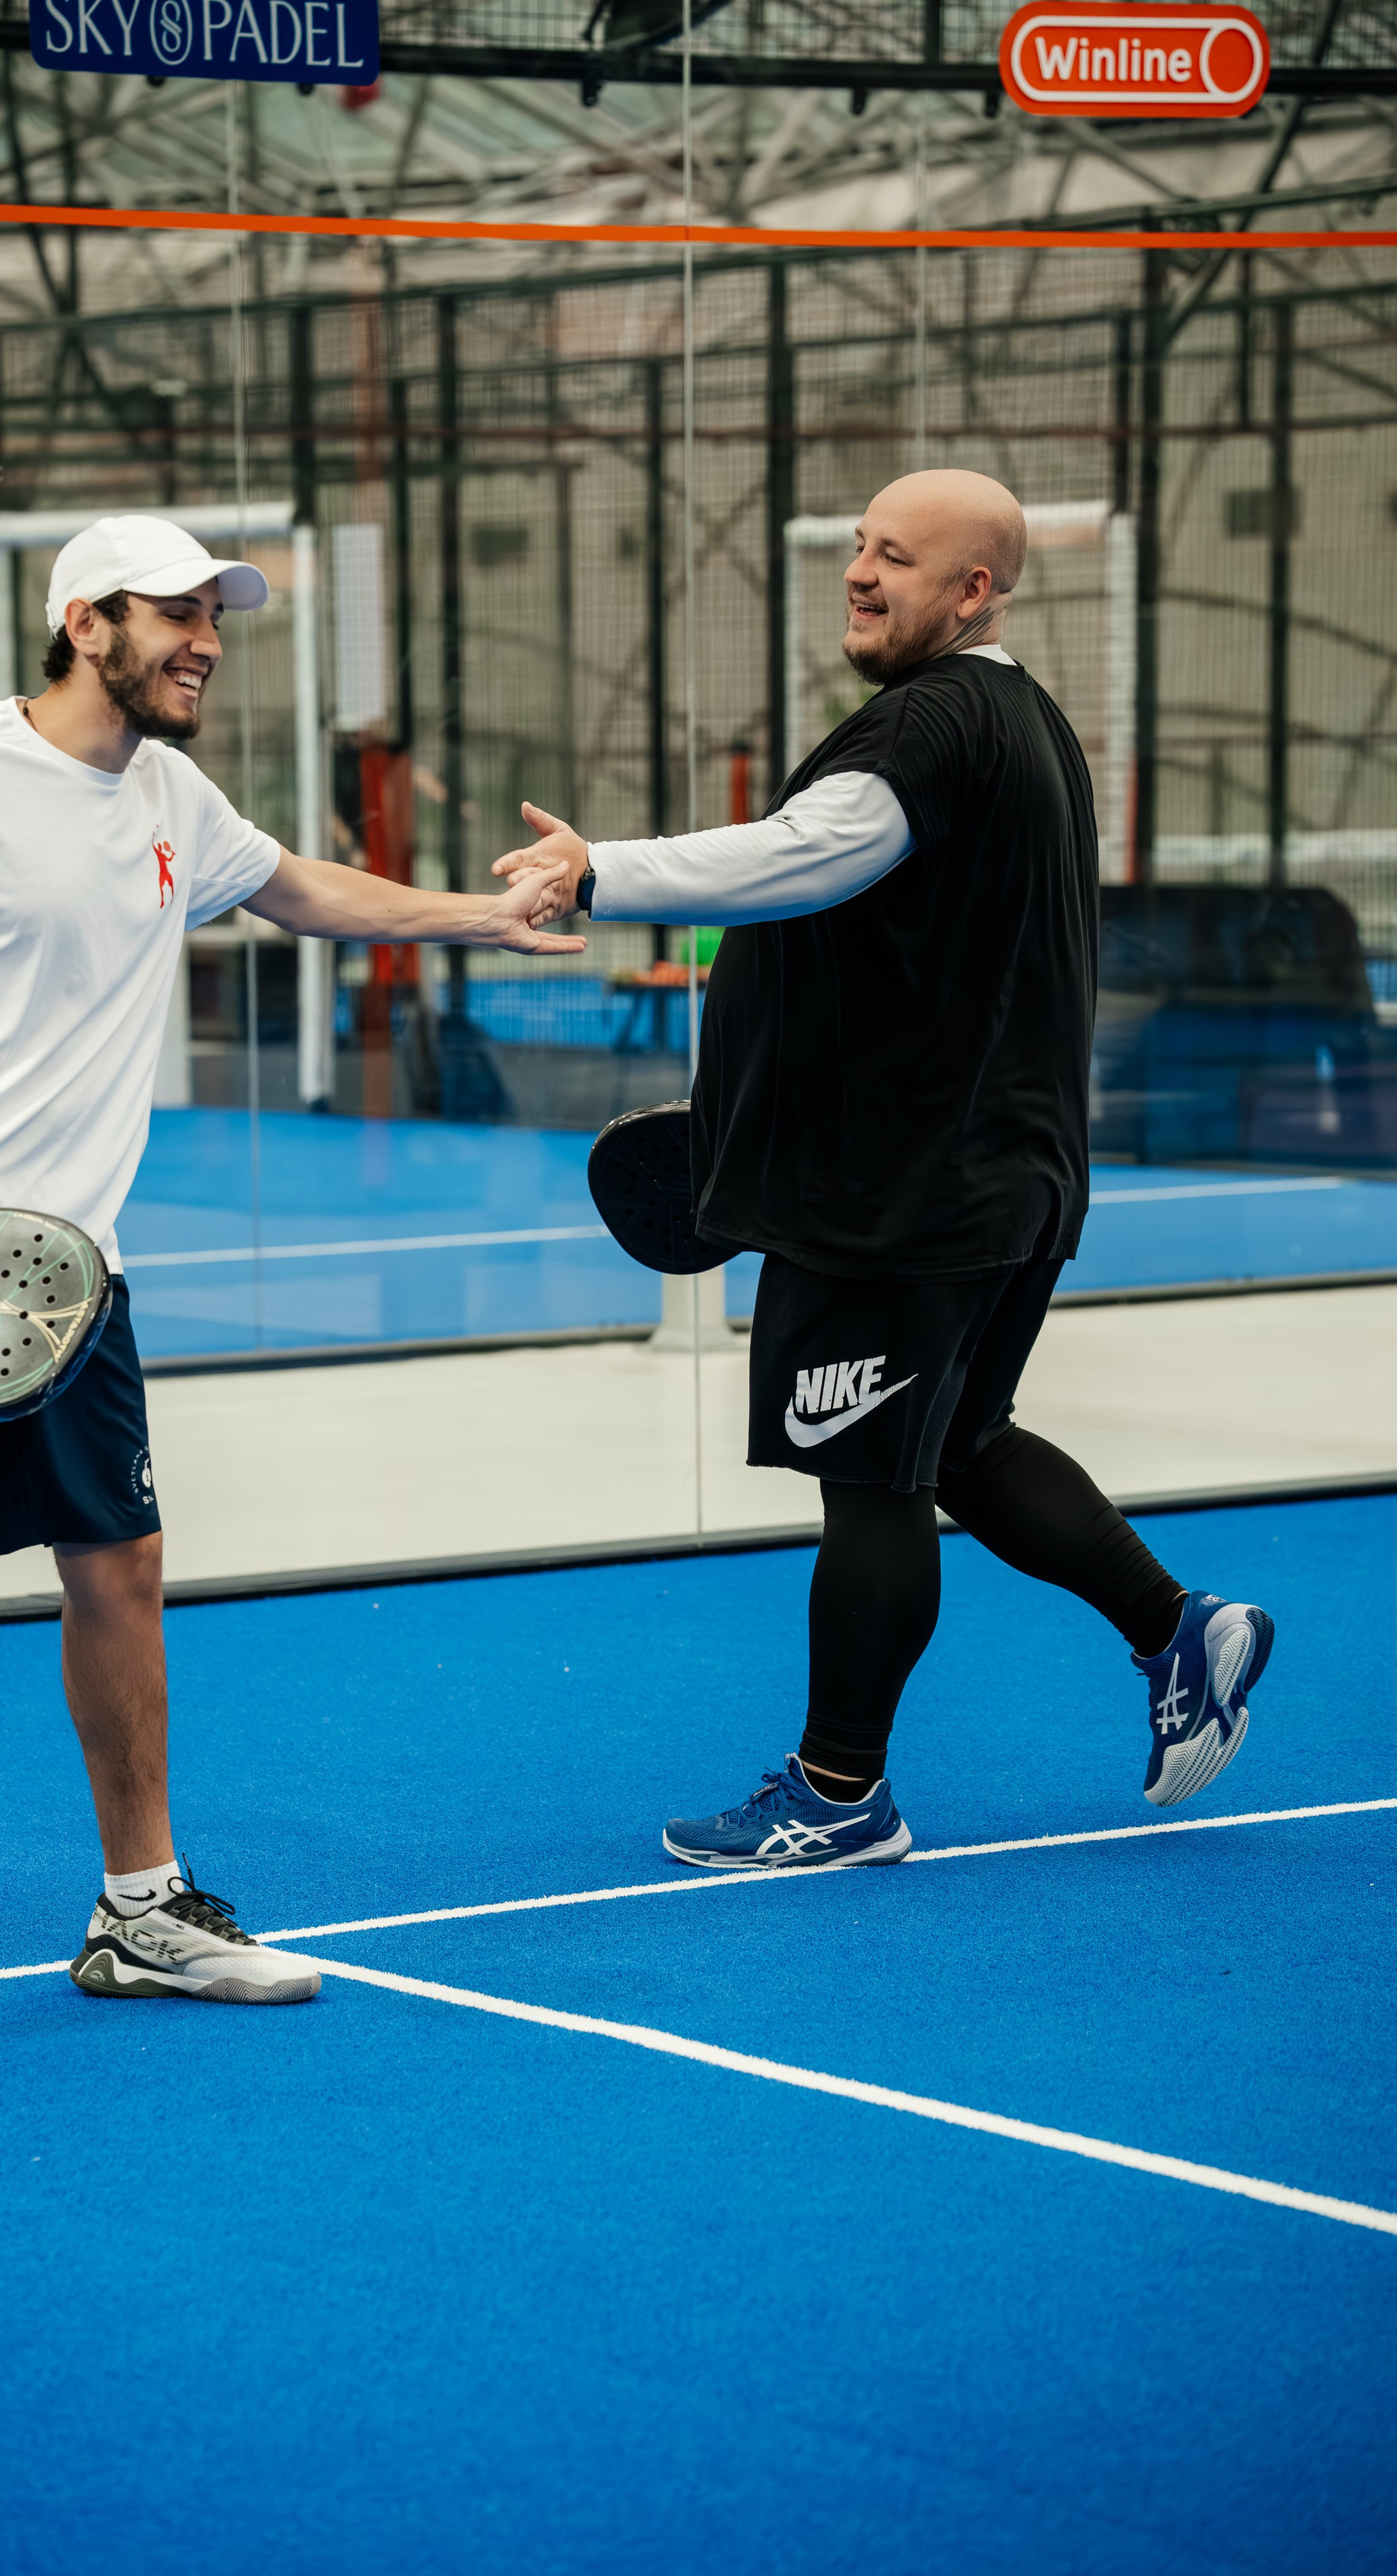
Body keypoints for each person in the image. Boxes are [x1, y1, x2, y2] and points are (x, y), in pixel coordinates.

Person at [0, 513, 582, 2079]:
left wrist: (480, 913)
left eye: (213, 615)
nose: (207, 639)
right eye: (176, 613)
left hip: (73, 1267)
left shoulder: (169, 790)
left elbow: (297, 887)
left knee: (122, 1563)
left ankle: (140, 1907)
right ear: (84, 620)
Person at [494, 469, 1273, 1872]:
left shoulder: (932, 724)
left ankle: (838, 1789)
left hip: (901, 1196)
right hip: (1004, 1179)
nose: (859, 571)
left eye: (895, 557)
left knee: (866, 1482)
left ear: (972, 590)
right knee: (960, 1446)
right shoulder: (1020, 722)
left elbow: (804, 858)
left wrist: (598, 872)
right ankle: (1178, 1631)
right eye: (856, 547)